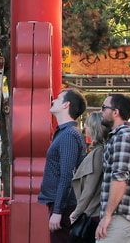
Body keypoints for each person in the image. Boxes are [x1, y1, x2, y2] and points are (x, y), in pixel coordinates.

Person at [95, 93, 130, 243]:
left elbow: (119, 178)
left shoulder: (123, 137)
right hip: (124, 215)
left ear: (115, 112)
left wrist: (107, 215)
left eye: (104, 108)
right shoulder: (127, 135)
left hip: (122, 215)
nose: (101, 111)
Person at [38, 89, 87, 243]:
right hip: (61, 202)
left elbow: (67, 175)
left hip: (64, 205)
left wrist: (58, 211)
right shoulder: (66, 133)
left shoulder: (69, 135)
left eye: (58, 99)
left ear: (66, 105)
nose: (53, 101)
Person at [71, 112, 112, 243]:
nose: (85, 129)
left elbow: (90, 187)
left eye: (87, 125)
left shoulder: (98, 153)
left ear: (94, 128)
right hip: (93, 211)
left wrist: (76, 213)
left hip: (92, 212)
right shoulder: (100, 151)